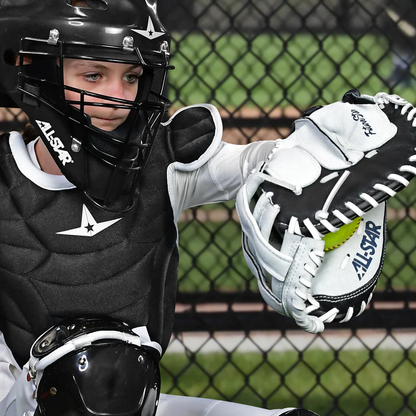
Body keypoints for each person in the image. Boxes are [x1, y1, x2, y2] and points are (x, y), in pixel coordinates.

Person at [0, 0, 319, 415]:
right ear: (33, 68)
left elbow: (251, 163)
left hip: (133, 398)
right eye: (94, 75)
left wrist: (319, 149)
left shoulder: (161, 163)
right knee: (89, 380)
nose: (120, 98)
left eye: (132, 76)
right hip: (18, 401)